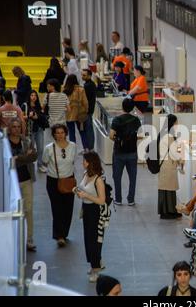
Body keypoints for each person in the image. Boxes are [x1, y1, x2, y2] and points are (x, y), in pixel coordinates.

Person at [42, 124, 77, 247]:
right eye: (57, 133)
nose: (60, 135)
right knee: (57, 209)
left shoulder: (73, 146)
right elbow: (45, 161)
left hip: (69, 180)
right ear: (54, 134)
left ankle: (64, 233)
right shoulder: (49, 148)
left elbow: (73, 161)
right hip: (53, 181)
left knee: (68, 209)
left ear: (66, 133)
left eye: (62, 132)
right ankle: (59, 236)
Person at [76, 151, 107, 282]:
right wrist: (77, 191)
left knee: (94, 241)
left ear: (91, 163)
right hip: (87, 209)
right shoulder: (85, 174)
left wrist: (86, 196)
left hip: (95, 211)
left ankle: (96, 268)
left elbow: (101, 200)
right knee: (88, 239)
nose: (83, 163)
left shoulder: (98, 180)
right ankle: (95, 263)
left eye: (85, 161)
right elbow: (82, 188)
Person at [8, 118, 37, 252]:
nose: (16, 129)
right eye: (13, 127)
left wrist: (18, 158)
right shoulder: (4, 143)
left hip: (26, 180)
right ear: (9, 128)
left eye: (18, 126)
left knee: (28, 210)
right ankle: (13, 239)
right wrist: (25, 156)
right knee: (12, 211)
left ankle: (29, 239)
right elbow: (7, 162)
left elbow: (33, 157)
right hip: (10, 182)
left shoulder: (27, 141)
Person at [109, 98, 142, 206]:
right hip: (132, 152)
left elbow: (111, 136)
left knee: (117, 176)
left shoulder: (116, 120)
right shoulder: (136, 120)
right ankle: (131, 200)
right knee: (133, 177)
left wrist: (119, 141)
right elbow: (139, 133)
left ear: (122, 106)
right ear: (132, 108)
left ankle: (118, 199)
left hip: (119, 152)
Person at [158, 114, 184, 220]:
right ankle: (168, 212)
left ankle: (169, 211)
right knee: (168, 190)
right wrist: (181, 159)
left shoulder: (164, 134)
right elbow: (174, 153)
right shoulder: (169, 136)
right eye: (176, 122)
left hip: (165, 165)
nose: (177, 125)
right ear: (172, 123)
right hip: (168, 166)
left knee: (167, 189)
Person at [63, 74, 89, 151]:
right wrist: (86, 110)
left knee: (71, 132)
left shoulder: (65, 90)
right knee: (82, 132)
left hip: (69, 113)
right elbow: (85, 102)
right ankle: (86, 148)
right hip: (79, 113)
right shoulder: (81, 89)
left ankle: (72, 149)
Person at [27, 90, 48, 173]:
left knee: (40, 148)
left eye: (35, 95)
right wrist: (29, 116)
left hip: (39, 129)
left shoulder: (39, 106)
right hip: (30, 130)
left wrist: (37, 117)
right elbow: (22, 116)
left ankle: (40, 164)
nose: (33, 97)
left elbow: (43, 118)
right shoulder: (25, 106)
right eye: (32, 95)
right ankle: (30, 165)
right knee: (31, 149)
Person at [82, 69, 97, 151]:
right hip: (89, 110)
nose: (82, 76)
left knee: (88, 129)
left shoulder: (88, 86)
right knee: (88, 129)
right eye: (82, 75)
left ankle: (90, 147)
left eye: (84, 75)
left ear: (89, 76)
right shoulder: (90, 84)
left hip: (87, 111)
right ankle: (89, 147)